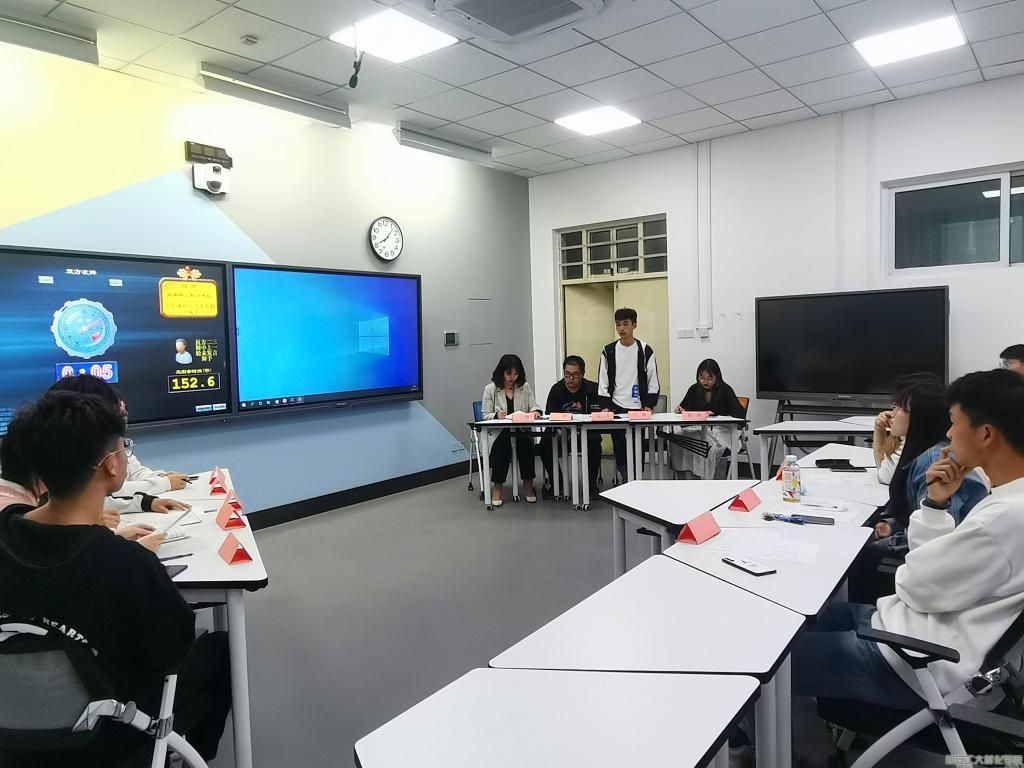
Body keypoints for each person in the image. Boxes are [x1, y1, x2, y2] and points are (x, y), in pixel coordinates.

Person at [0, 391, 232, 767]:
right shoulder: (126, 563)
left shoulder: (6, 533)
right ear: (111, 464)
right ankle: (189, 753)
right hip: (108, 734)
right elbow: (172, 652)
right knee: (220, 648)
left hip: (12, 737)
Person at [791, 369, 1024, 711]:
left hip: (914, 661)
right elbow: (934, 571)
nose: (948, 433)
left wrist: (911, 570)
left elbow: (916, 586)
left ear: (986, 434)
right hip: (908, 629)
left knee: (764, 661)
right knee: (792, 625)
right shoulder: (1007, 498)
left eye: (954, 423)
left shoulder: (1006, 516)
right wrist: (935, 504)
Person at [849, 376, 989, 604]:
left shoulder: (934, 460)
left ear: (921, 418)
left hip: (943, 572)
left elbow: (942, 534)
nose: (892, 414)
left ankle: (869, 616)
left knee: (855, 552)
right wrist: (894, 526)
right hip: (934, 556)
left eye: (899, 408)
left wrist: (890, 537)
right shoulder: (923, 451)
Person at [49, 375, 191, 517]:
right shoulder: (76, 453)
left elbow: (135, 471)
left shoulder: (113, 442)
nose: (123, 418)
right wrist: (164, 483)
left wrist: (160, 477)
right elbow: (103, 491)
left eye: (123, 412)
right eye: (118, 412)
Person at [597, 308, 660, 482]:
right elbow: (603, 380)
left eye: (625, 324)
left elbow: (652, 380)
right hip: (616, 407)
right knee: (620, 448)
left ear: (634, 325)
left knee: (637, 447)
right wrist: (605, 406)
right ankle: (626, 481)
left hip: (639, 408)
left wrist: (649, 404)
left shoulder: (645, 350)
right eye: (618, 324)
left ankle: (636, 481)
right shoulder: (608, 351)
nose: (621, 328)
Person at [669, 359, 745, 480]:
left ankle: (706, 478)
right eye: (702, 378)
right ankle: (684, 478)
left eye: (709, 378)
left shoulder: (725, 390)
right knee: (679, 438)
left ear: (717, 377)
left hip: (722, 430)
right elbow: (684, 409)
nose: (705, 381)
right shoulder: (694, 389)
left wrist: (716, 415)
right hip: (698, 429)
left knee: (705, 442)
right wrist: (680, 410)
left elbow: (740, 415)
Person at [482, 354, 542, 506]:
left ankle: (528, 485)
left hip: (520, 430)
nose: (512, 377)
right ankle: (497, 488)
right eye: (509, 373)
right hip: (500, 432)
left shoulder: (524, 387)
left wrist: (535, 411)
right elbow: (485, 415)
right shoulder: (490, 389)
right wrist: (496, 415)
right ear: (501, 372)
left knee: (526, 446)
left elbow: (534, 406)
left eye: (516, 374)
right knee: (502, 448)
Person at [539, 355, 603, 496]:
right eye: (567, 375)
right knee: (544, 444)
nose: (571, 379)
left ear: (583, 374)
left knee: (594, 441)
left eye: (575, 375)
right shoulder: (556, 390)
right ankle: (558, 482)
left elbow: (598, 414)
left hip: (586, 432)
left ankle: (590, 484)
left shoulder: (593, 389)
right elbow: (549, 414)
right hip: (561, 433)